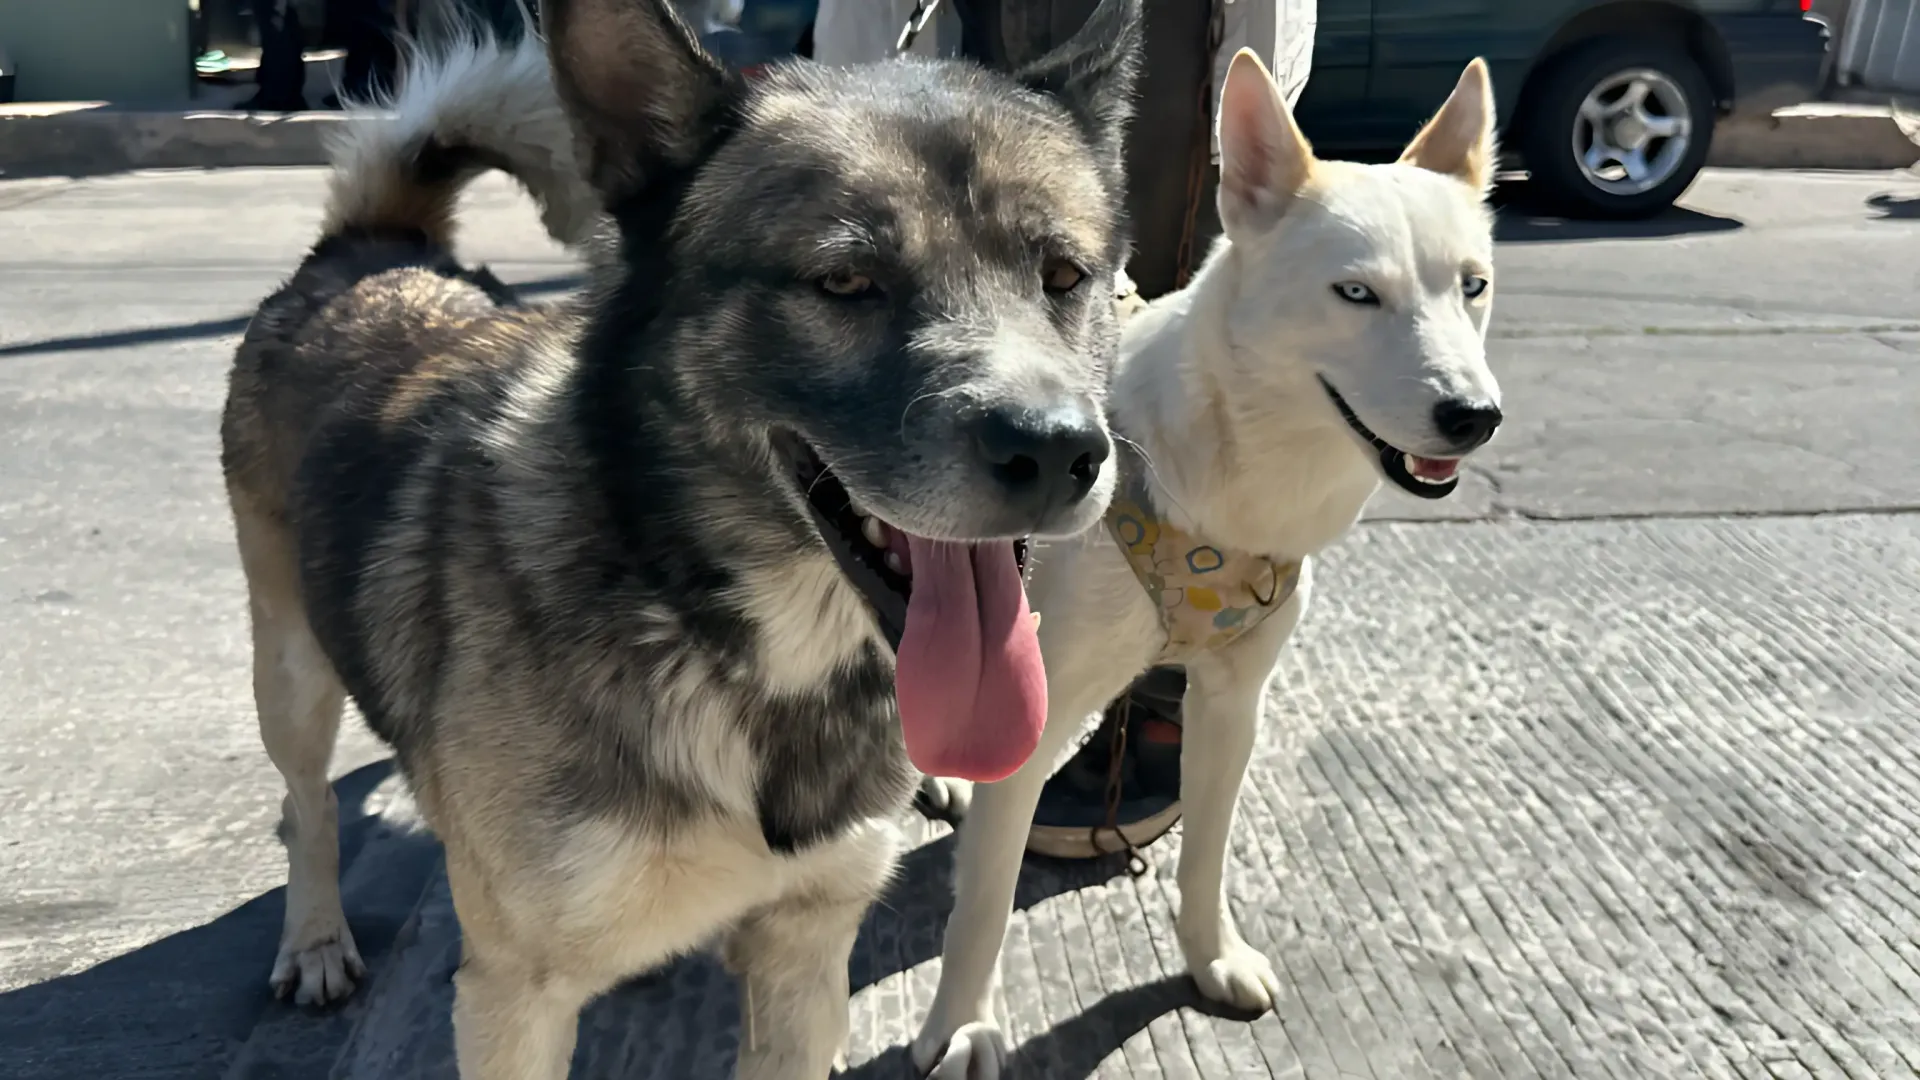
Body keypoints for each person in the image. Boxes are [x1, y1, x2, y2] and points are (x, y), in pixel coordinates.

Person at [811, 0, 1317, 861]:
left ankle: (1152, 710)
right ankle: (919, 697)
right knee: (933, 453)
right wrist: (857, 93)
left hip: (1180, 37)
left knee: (1167, 415)